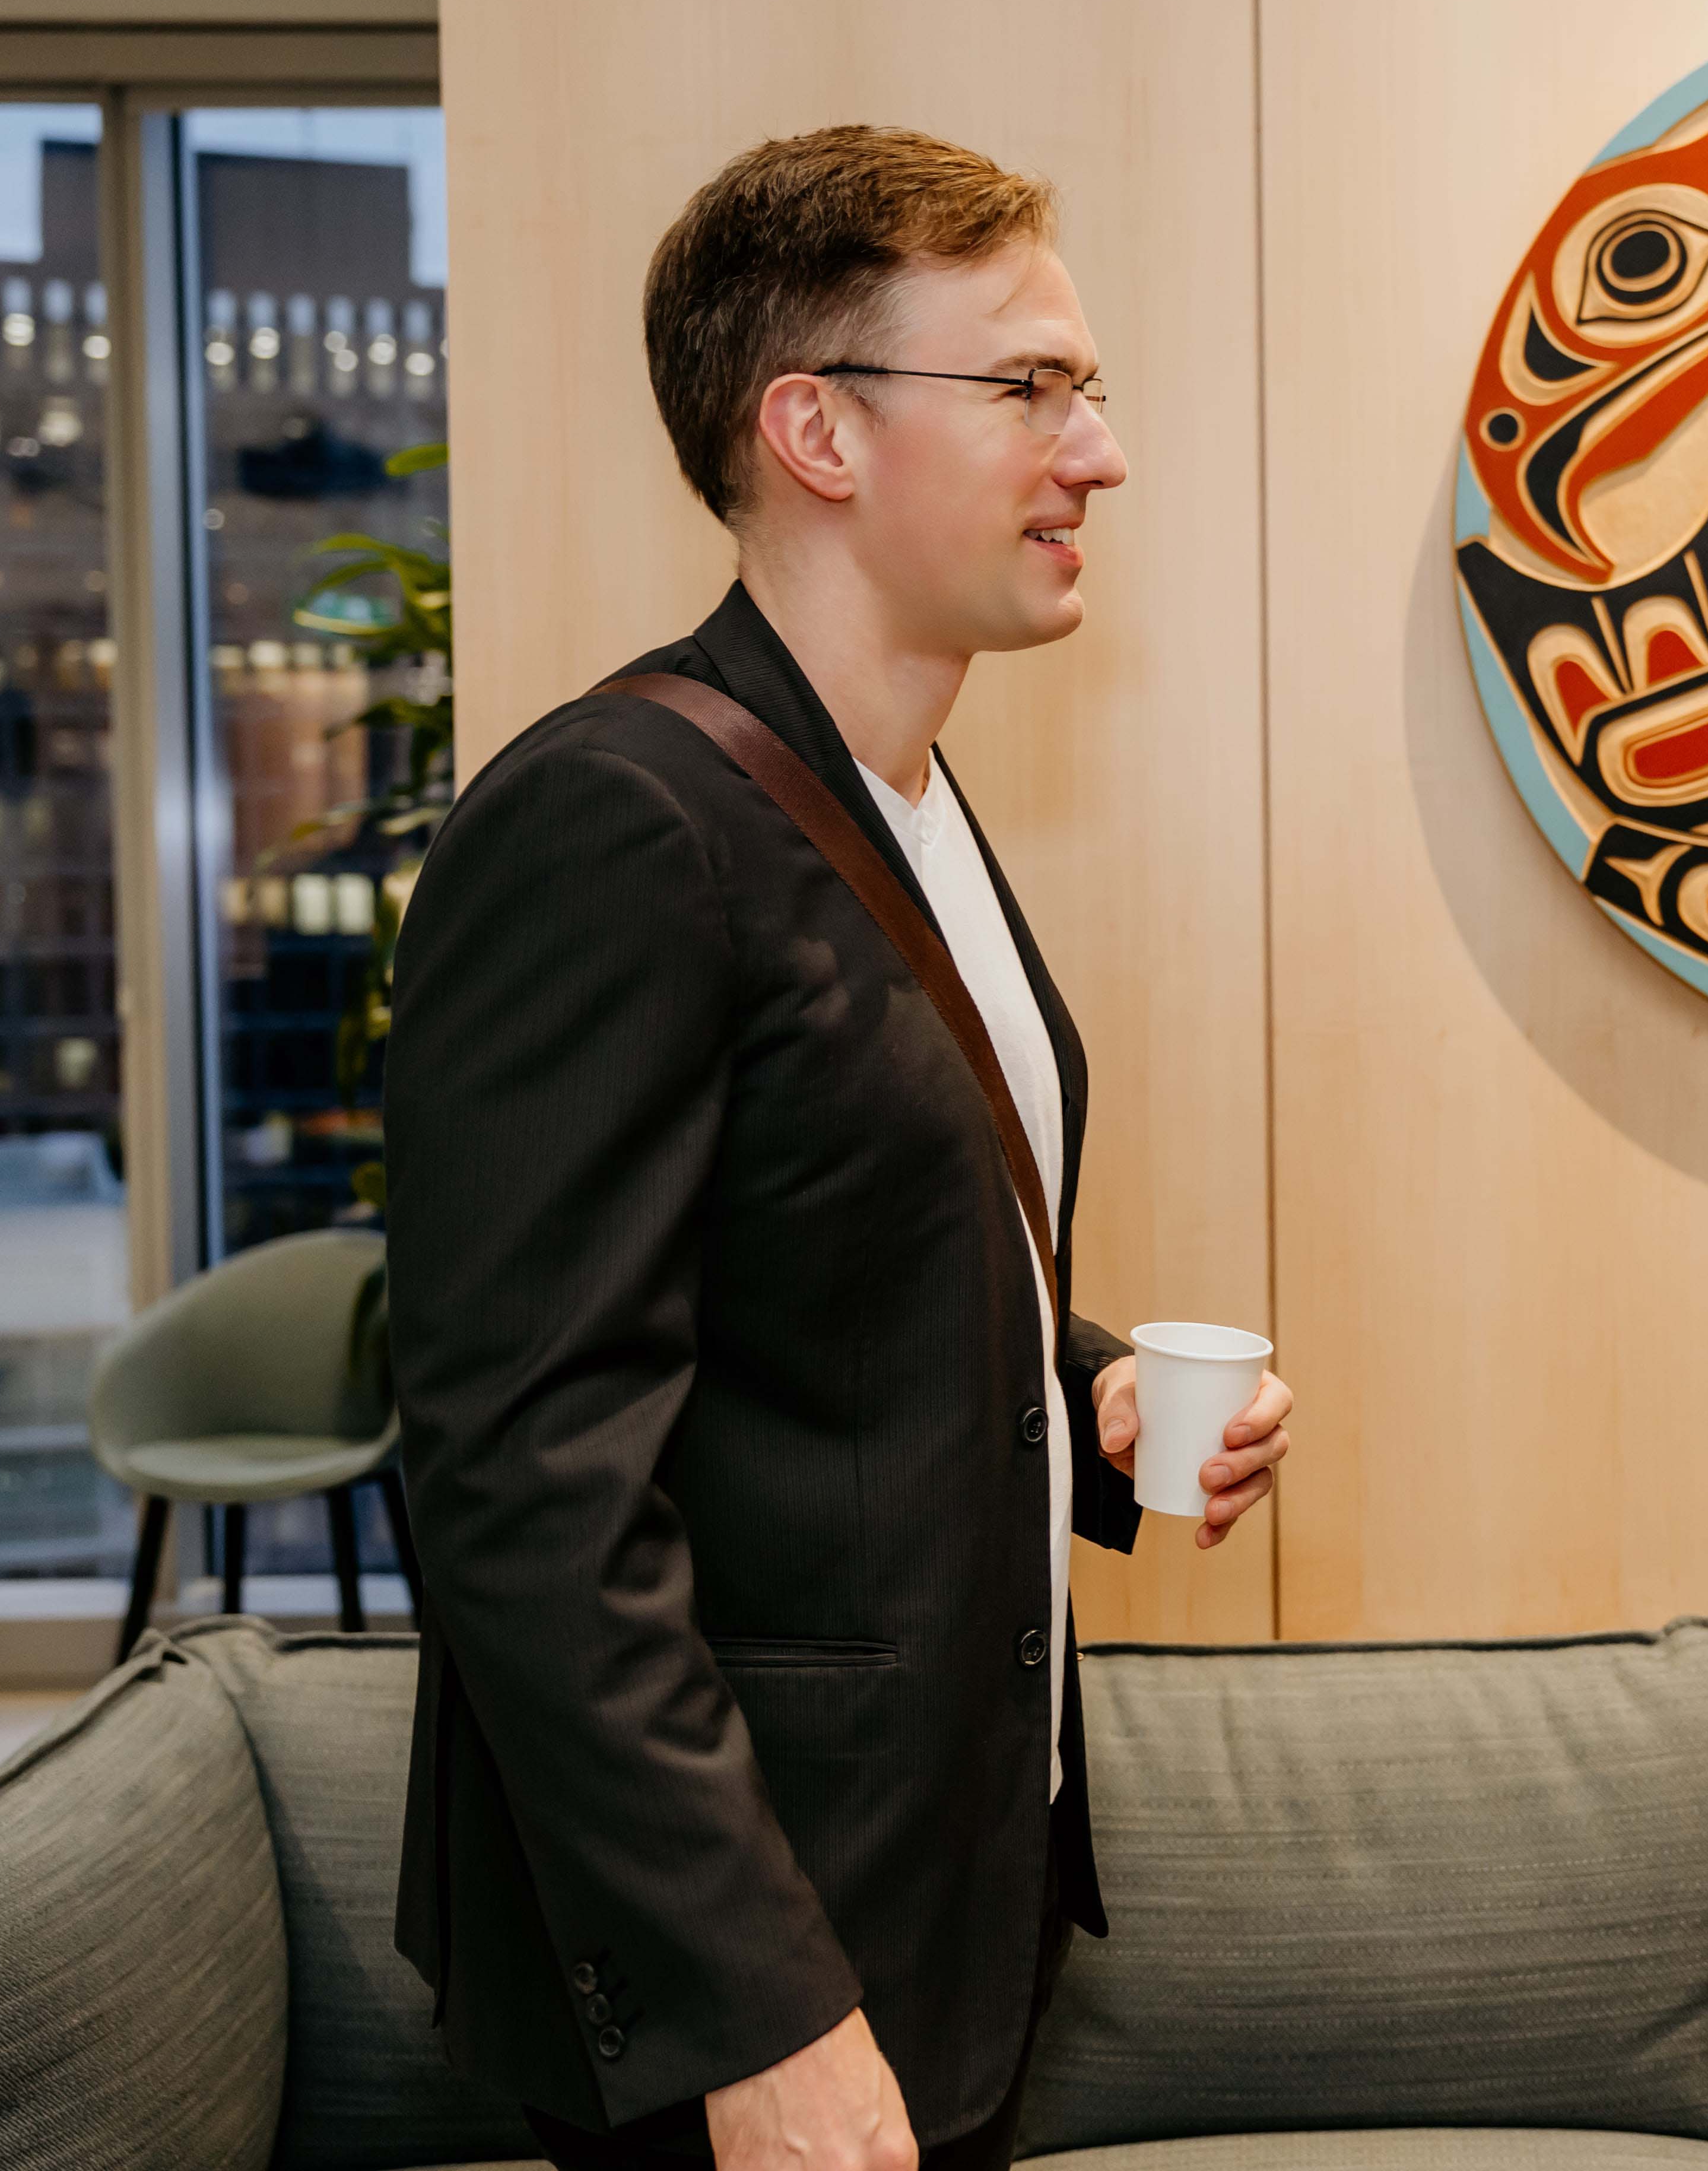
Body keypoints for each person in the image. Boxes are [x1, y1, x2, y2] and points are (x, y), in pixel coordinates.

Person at [385, 125, 1292, 2171]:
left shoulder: (906, 801)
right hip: (747, 1969)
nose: (1100, 452)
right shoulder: (615, 821)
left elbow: (820, 1286)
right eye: (1031, 387)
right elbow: (526, 1487)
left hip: (935, 1888)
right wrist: (758, 2014)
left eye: (1087, 388)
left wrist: (1089, 1395)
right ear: (815, 431)